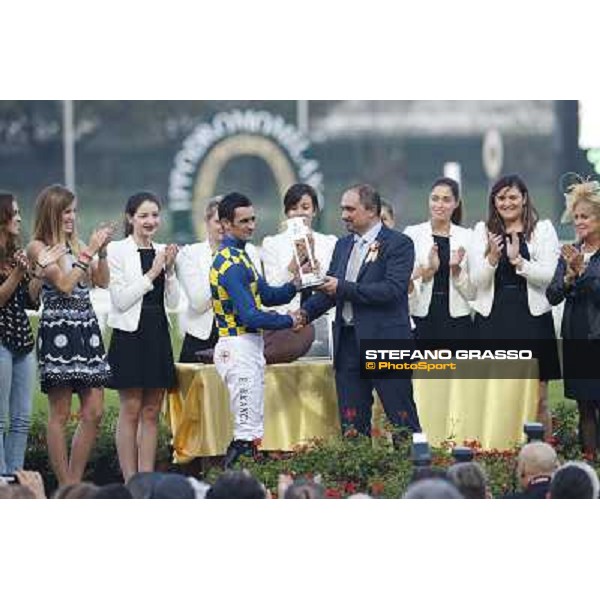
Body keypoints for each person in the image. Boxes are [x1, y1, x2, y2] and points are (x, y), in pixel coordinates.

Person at [299, 183, 421, 440]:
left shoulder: (399, 244)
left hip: (385, 342)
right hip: (347, 345)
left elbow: (391, 290)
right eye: (343, 209)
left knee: (402, 418)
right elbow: (329, 291)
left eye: (350, 209)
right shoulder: (343, 245)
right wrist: (303, 315)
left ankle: (417, 475)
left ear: (371, 211)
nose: (344, 215)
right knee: (352, 425)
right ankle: (355, 480)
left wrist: (342, 286)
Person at [27, 184, 113, 486]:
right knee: (60, 413)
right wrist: (88, 251)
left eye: (74, 211)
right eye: (66, 211)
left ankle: (74, 484)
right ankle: (65, 485)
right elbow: (63, 285)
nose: (72, 217)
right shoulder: (39, 247)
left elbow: (101, 282)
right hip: (58, 331)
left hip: (86, 328)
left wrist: (100, 253)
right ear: (51, 213)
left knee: (95, 410)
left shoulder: (77, 245)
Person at [210, 192, 302, 468]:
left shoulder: (243, 255)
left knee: (251, 430)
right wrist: (290, 321)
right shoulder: (231, 263)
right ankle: (233, 487)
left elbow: (268, 295)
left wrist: (296, 283)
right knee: (246, 434)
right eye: (244, 221)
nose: (251, 226)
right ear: (226, 224)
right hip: (238, 345)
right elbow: (250, 315)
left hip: (247, 346)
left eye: (253, 219)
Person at [470, 174, 560, 439]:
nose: (507, 203)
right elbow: (477, 280)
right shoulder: (482, 230)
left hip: (532, 320)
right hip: (493, 321)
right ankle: (498, 452)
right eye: (501, 198)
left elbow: (549, 275)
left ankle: (542, 456)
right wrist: (492, 258)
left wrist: (519, 262)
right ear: (493, 201)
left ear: (524, 199)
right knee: (496, 396)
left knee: (538, 398)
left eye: (512, 197)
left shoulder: (542, 229)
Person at [106, 191, 180, 482]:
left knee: (152, 411)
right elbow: (121, 300)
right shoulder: (117, 251)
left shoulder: (163, 251)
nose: (151, 221)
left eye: (154, 215)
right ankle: (129, 480)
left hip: (157, 332)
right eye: (144, 216)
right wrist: (152, 273)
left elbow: (173, 303)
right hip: (130, 334)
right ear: (130, 218)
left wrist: (170, 270)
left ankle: (146, 480)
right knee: (132, 408)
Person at [0, 192, 62, 474]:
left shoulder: (17, 253)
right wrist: (16, 274)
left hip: (23, 340)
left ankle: (16, 477)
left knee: (22, 417)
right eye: (13, 213)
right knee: (1, 418)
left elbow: (30, 301)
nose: (19, 218)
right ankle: (2, 480)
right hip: (1, 339)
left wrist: (37, 271)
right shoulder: (12, 261)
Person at [547, 180, 600, 457]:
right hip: (576, 340)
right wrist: (568, 275)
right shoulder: (570, 252)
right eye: (576, 217)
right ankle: (590, 464)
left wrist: (584, 273)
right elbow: (553, 295)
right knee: (585, 407)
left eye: (585, 216)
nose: (579, 222)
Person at [176, 196, 260, 362]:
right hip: (200, 339)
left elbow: (252, 296)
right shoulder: (189, 254)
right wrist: (225, 264)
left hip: (240, 337)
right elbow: (198, 302)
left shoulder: (250, 252)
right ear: (206, 222)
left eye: (227, 221)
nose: (223, 227)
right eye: (217, 221)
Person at [261, 183, 337, 361]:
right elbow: (273, 287)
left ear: (314, 210)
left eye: (305, 207)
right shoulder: (272, 243)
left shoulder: (329, 242)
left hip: (323, 321)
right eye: (293, 208)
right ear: (287, 212)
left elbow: (333, 283)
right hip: (287, 322)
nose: (300, 213)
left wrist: (318, 270)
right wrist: (294, 264)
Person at [404, 177, 475, 340]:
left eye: (446, 200)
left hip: (457, 321)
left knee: (456, 366)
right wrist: (428, 270)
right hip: (421, 316)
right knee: (422, 366)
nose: (439, 205)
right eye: (435, 199)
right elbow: (405, 279)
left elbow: (473, 292)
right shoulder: (412, 234)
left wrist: (456, 270)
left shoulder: (468, 237)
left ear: (456, 203)